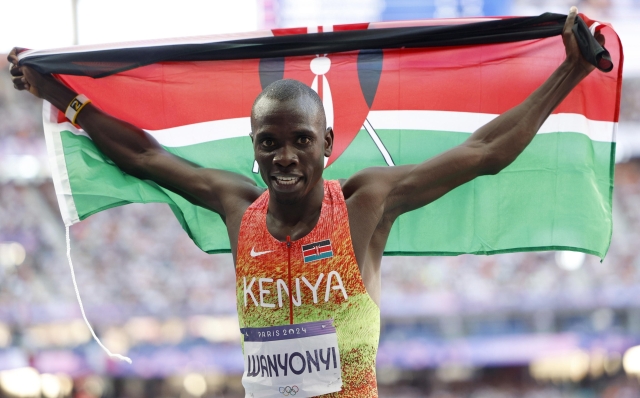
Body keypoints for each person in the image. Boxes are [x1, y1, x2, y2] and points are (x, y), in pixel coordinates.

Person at [8, 7, 604, 397]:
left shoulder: (367, 203)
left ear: (326, 142)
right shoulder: (236, 207)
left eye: (300, 141)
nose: (285, 157)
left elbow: (483, 151)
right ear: (254, 149)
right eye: (270, 144)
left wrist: (570, 72)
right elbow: (142, 156)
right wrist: (61, 91)